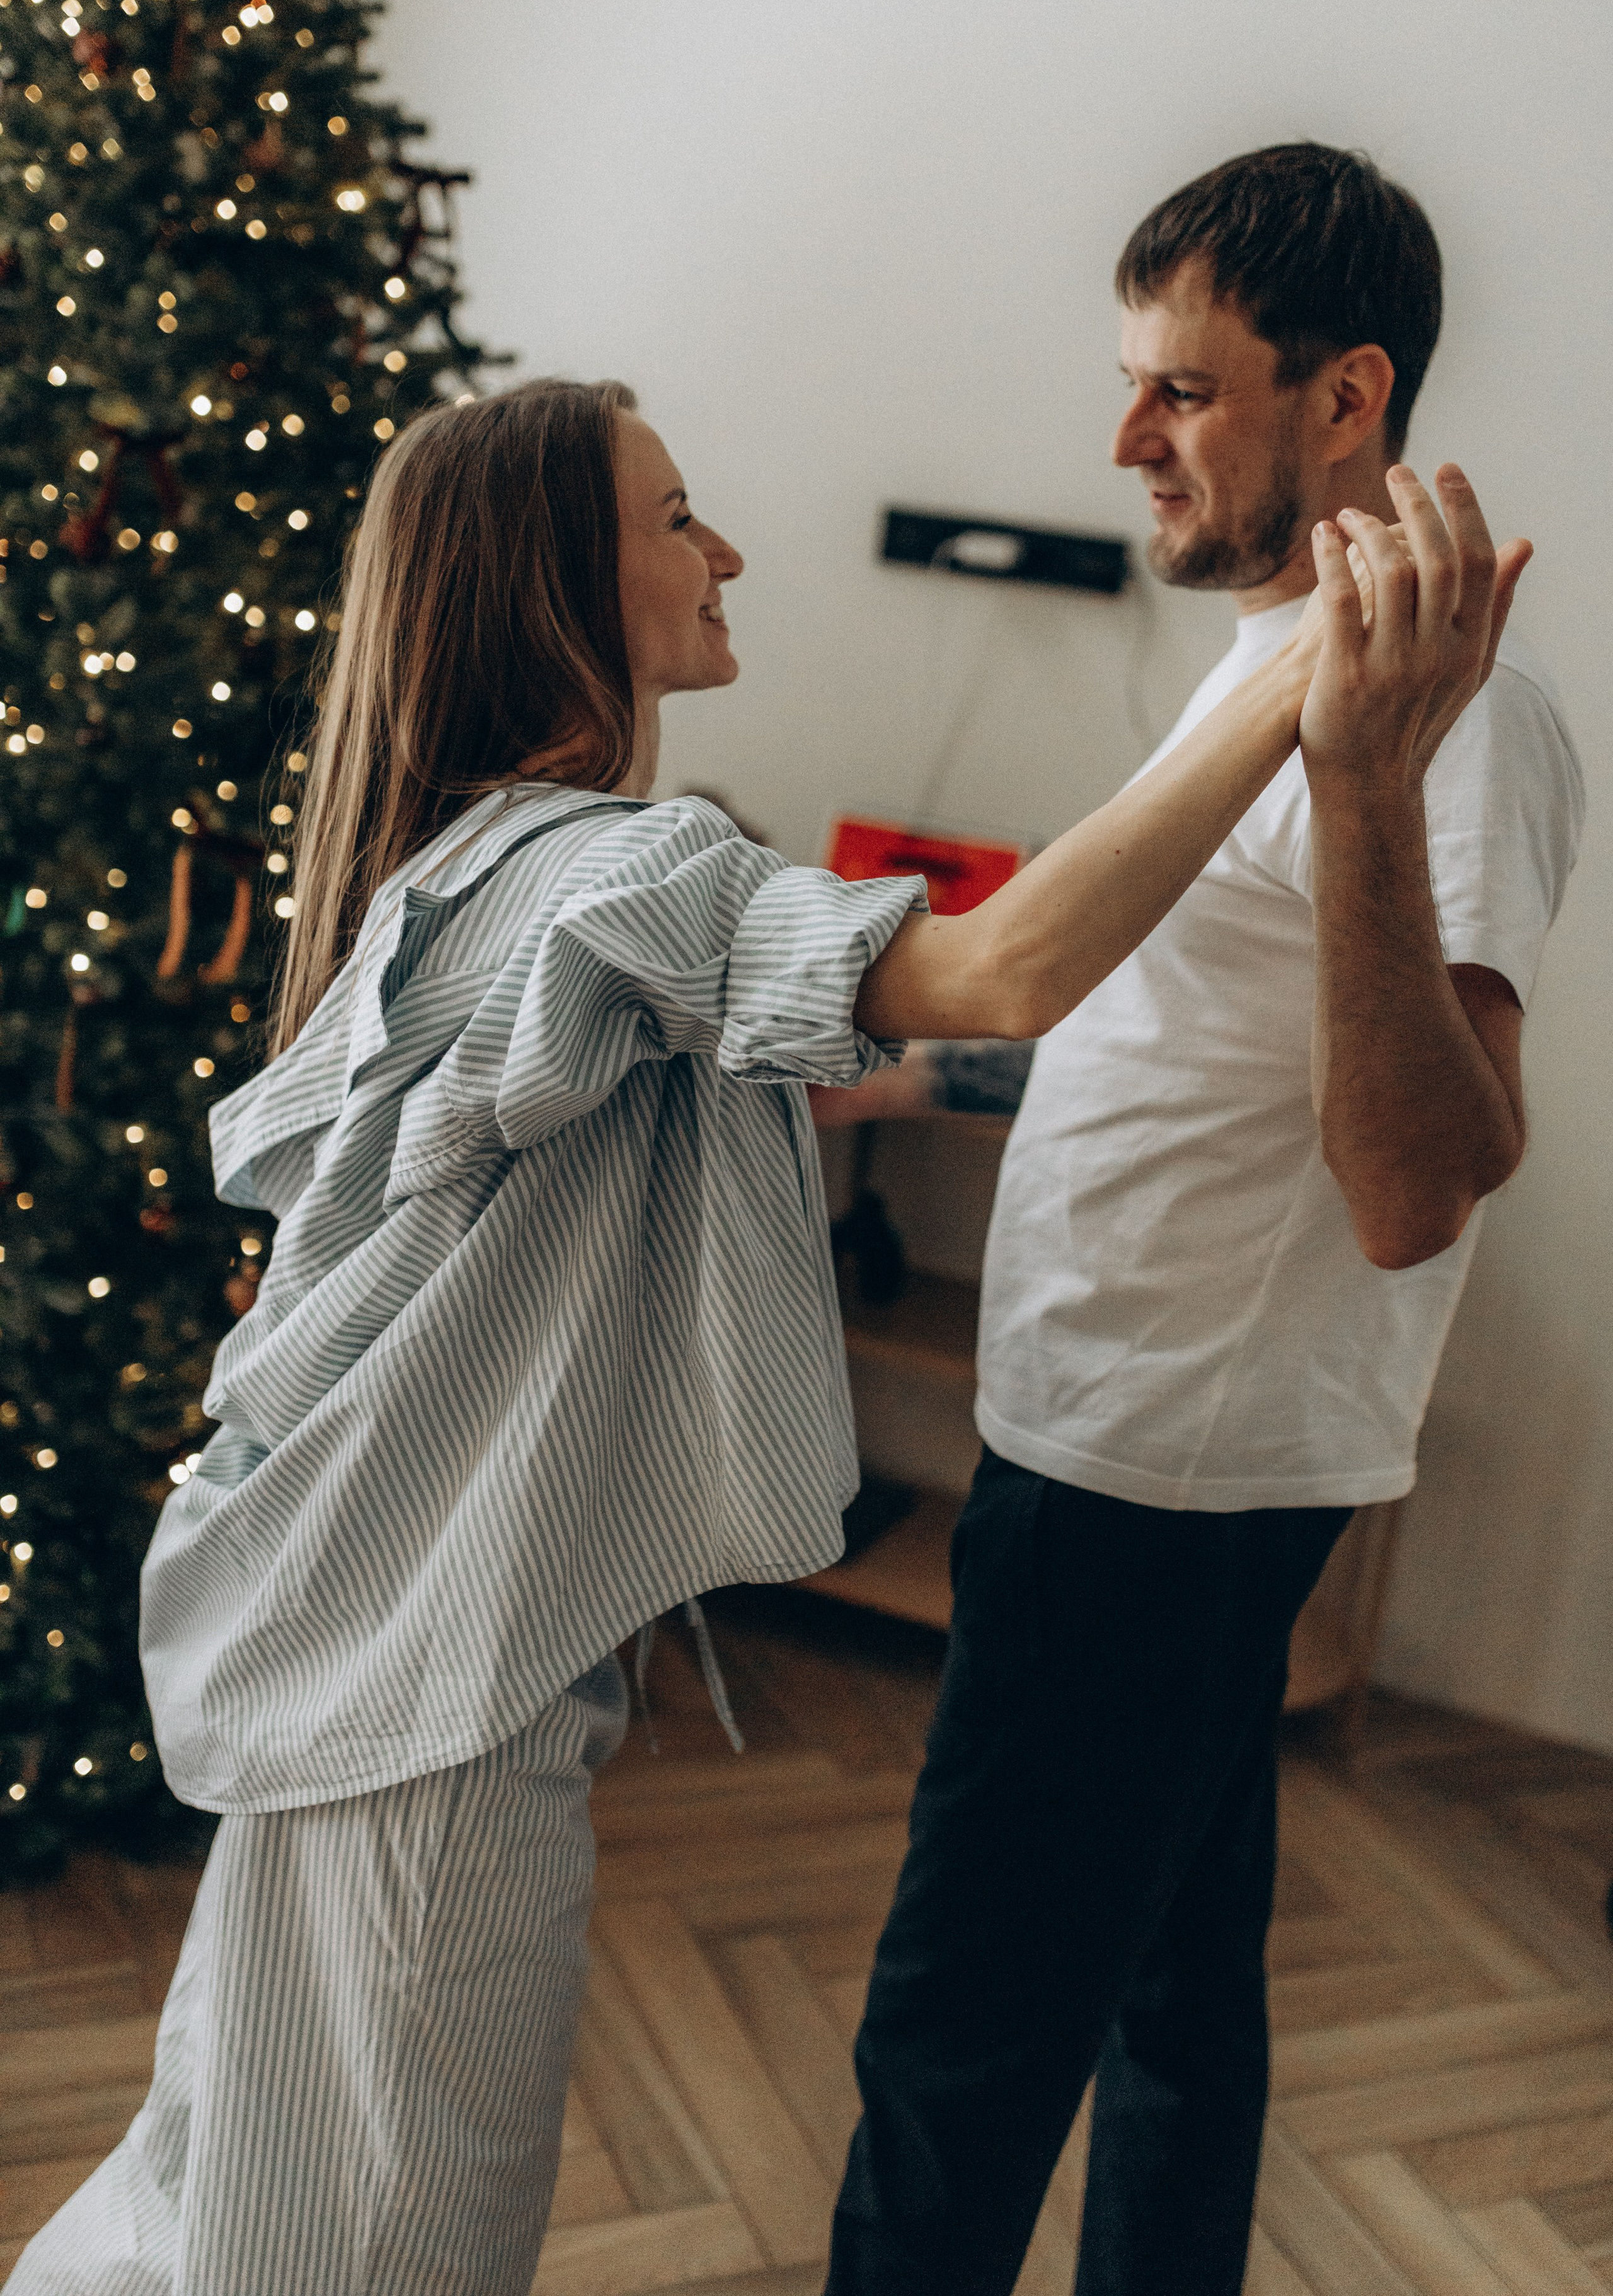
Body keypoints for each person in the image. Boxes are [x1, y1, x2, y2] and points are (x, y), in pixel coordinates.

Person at [11, 378, 1500, 2296]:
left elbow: (912, 1040)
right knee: (375, 2245)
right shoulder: (618, 870)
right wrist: (1317, 704)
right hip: (428, 1706)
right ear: (563, 579)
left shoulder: (477, 862)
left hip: (350, 1646)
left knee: (227, 2181)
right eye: (678, 515)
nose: (723, 552)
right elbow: (1013, 961)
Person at [818, 146, 1583, 2296]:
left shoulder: (1455, 732)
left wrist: (1358, 783)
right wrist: (936, 1070)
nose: (1124, 440)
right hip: (1125, 1427)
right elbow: (1187, 1027)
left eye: (1183, 392)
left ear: (1350, 399)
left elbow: (1423, 1176)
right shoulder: (1266, 652)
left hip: (1169, 1466)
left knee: (953, 2048)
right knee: (1172, 2006)